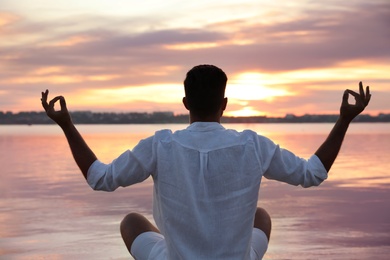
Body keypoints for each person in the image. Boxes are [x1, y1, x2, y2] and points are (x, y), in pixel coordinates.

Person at [41, 64, 371, 259]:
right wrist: (345, 120)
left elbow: (100, 178)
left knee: (131, 221)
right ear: (224, 103)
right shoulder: (251, 145)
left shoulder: (161, 144)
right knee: (262, 217)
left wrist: (66, 124)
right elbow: (313, 173)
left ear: (185, 102)